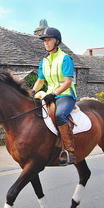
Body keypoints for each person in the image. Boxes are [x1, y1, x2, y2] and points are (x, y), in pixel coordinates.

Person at [31, 27, 77, 165]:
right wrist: (32, 91)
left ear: (56, 41)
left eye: (49, 40)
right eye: (44, 41)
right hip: (49, 95)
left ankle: (70, 151)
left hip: (65, 95)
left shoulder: (65, 58)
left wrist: (54, 93)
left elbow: (68, 82)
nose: (46, 43)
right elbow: (40, 81)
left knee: (59, 115)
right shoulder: (43, 61)